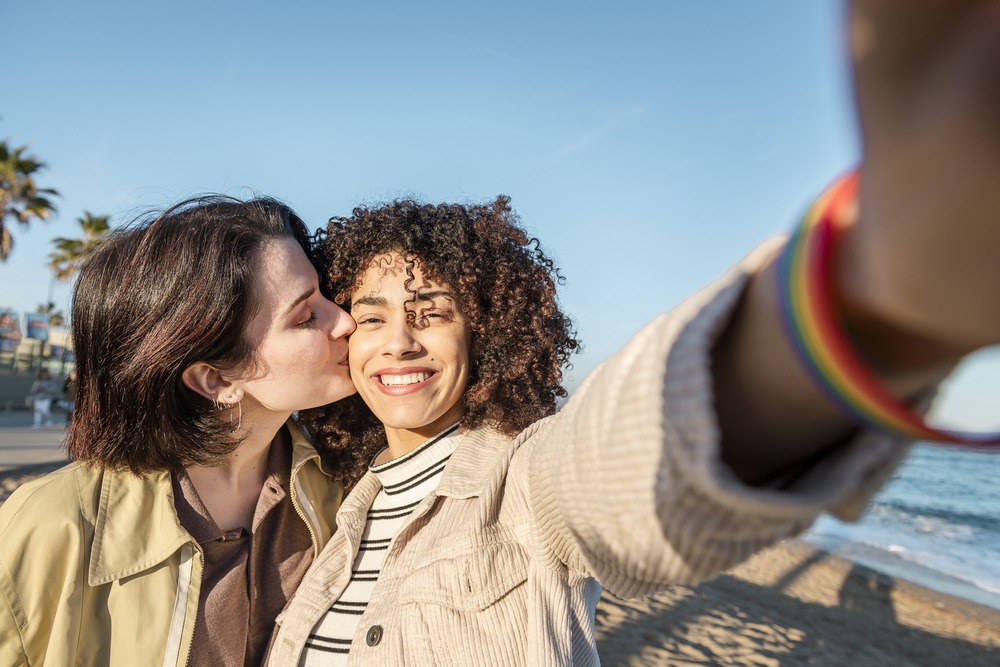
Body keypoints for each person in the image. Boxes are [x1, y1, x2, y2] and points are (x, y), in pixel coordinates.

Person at [268, 2, 1000, 664]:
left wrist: (872, 307)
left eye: (431, 312)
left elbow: (631, 469)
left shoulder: (520, 483)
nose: (398, 341)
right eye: (372, 315)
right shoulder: (333, 505)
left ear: (485, 332)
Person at [0, 197, 357, 666]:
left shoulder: (346, 493)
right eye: (306, 315)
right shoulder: (55, 525)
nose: (346, 321)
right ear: (217, 380)